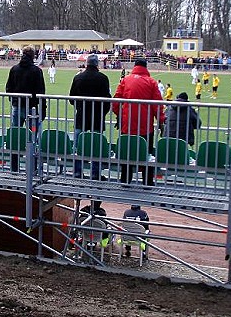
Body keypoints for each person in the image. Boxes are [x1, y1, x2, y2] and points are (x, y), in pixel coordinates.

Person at [112, 58, 165, 188]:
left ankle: (125, 180)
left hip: (127, 125)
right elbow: (157, 105)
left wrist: (119, 115)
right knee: (147, 155)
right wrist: (161, 121)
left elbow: (116, 101)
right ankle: (147, 181)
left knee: (127, 153)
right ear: (146, 67)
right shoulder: (151, 82)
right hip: (145, 126)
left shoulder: (125, 80)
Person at [69, 54, 111, 210]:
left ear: (86, 64)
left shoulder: (78, 78)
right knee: (96, 147)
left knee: (79, 146)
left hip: (81, 116)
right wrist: (102, 112)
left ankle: (78, 171)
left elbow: (71, 98)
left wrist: (80, 107)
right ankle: (95, 172)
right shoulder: (103, 78)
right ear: (97, 64)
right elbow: (107, 99)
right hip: (97, 118)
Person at [5, 45, 46, 172]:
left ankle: (14, 167)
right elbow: (41, 92)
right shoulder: (36, 71)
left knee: (16, 136)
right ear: (33, 55)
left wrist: (14, 101)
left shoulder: (14, 69)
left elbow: (8, 89)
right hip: (32, 110)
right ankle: (33, 168)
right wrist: (42, 109)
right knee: (34, 138)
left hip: (17, 108)